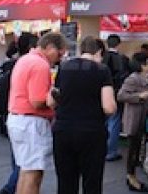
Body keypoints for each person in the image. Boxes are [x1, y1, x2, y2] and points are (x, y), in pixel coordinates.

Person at [48, 37, 117, 194]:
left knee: (66, 183)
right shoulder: (102, 70)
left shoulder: (64, 67)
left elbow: (51, 101)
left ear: (81, 50)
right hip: (92, 133)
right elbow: (108, 107)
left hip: (64, 131)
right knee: (91, 183)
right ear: (99, 52)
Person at [6, 32, 66, 194]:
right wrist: (56, 99)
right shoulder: (40, 65)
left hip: (18, 119)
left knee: (25, 172)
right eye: (59, 53)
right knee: (33, 174)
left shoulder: (24, 59)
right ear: (50, 47)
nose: (59, 58)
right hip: (32, 123)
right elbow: (37, 101)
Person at [0, 33, 38, 194]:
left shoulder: (13, 64)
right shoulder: (30, 65)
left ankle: (15, 187)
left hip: (11, 113)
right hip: (25, 116)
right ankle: (10, 188)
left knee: (18, 158)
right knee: (27, 163)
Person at [117, 52, 148, 192]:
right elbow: (121, 96)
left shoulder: (146, 77)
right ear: (142, 65)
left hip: (142, 117)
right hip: (134, 118)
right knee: (133, 149)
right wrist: (139, 96)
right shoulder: (133, 78)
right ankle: (131, 177)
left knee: (137, 148)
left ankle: (132, 176)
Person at [102, 34, 130, 162]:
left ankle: (102, 148)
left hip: (101, 93)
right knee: (115, 120)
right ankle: (111, 151)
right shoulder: (121, 59)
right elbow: (123, 76)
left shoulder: (102, 57)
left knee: (104, 121)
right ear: (118, 44)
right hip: (115, 92)